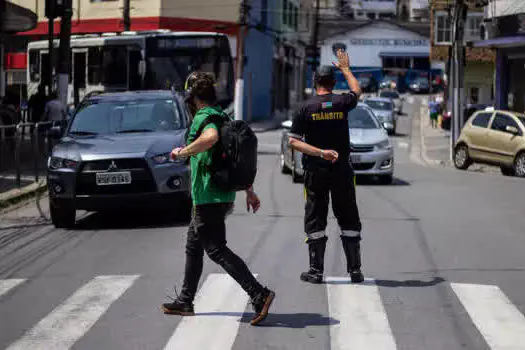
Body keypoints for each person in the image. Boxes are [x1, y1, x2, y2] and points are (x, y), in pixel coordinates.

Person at [163, 72, 275, 325]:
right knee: (194, 246)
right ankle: (185, 300)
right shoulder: (223, 115)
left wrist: (183, 152)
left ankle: (259, 293)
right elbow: (234, 154)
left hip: (208, 195)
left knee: (215, 249)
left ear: (192, 97)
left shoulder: (205, 117)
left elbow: (211, 138)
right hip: (219, 194)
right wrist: (249, 189)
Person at [288, 49, 365, 284]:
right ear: (333, 82)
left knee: (315, 218)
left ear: (314, 82)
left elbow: (293, 141)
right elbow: (357, 91)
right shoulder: (341, 103)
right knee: (348, 217)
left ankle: (316, 271)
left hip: (315, 172)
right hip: (342, 171)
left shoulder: (305, 108)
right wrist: (346, 69)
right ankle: (355, 271)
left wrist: (320, 152)